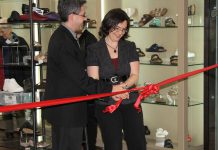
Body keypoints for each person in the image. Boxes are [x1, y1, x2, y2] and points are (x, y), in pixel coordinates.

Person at [43, 1, 127, 150]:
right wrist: (111, 89)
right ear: (72, 16)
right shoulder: (63, 41)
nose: (85, 19)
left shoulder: (68, 37)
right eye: (83, 15)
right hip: (66, 113)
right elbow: (81, 79)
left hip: (69, 111)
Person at [86, 8, 146, 150]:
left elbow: (135, 75)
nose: (120, 33)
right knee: (113, 144)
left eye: (124, 30)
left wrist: (123, 88)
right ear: (107, 26)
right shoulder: (94, 49)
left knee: (138, 142)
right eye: (116, 28)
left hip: (130, 99)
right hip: (106, 103)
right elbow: (94, 80)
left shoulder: (129, 47)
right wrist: (114, 92)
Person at [0, 23, 30, 140]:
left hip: (17, 79)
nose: (2, 34)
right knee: (6, 106)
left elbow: (27, 60)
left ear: (10, 30)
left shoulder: (20, 41)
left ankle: (22, 130)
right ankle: (9, 131)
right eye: (1, 31)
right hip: (5, 79)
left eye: (3, 31)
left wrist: (25, 79)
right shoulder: (1, 42)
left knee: (19, 106)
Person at [77, 27, 103, 150]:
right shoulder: (75, 38)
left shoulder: (89, 39)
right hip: (81, 84)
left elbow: (93, 64)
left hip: (88, 85)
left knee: (90, 119)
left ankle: (89, 145)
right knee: (84, 117)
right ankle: (85, 144)